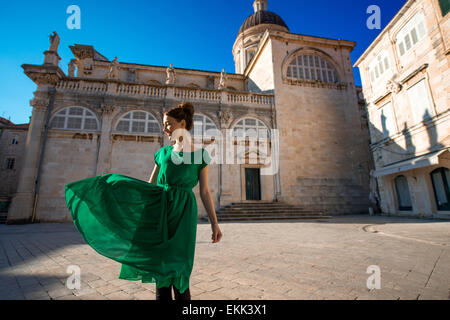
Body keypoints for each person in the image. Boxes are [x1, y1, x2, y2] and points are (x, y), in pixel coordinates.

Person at [64, 102, 223, 301]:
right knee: (160, 268)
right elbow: (150, 185)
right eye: (164, 124)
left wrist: (214, 224)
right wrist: (123, 196)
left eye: (168, 124)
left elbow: (205, 192)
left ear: (182, 123)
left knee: (180, 267)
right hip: (159, 212)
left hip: (184, 214)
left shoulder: (200, 155)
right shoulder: (163, 154)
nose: (165, 128)